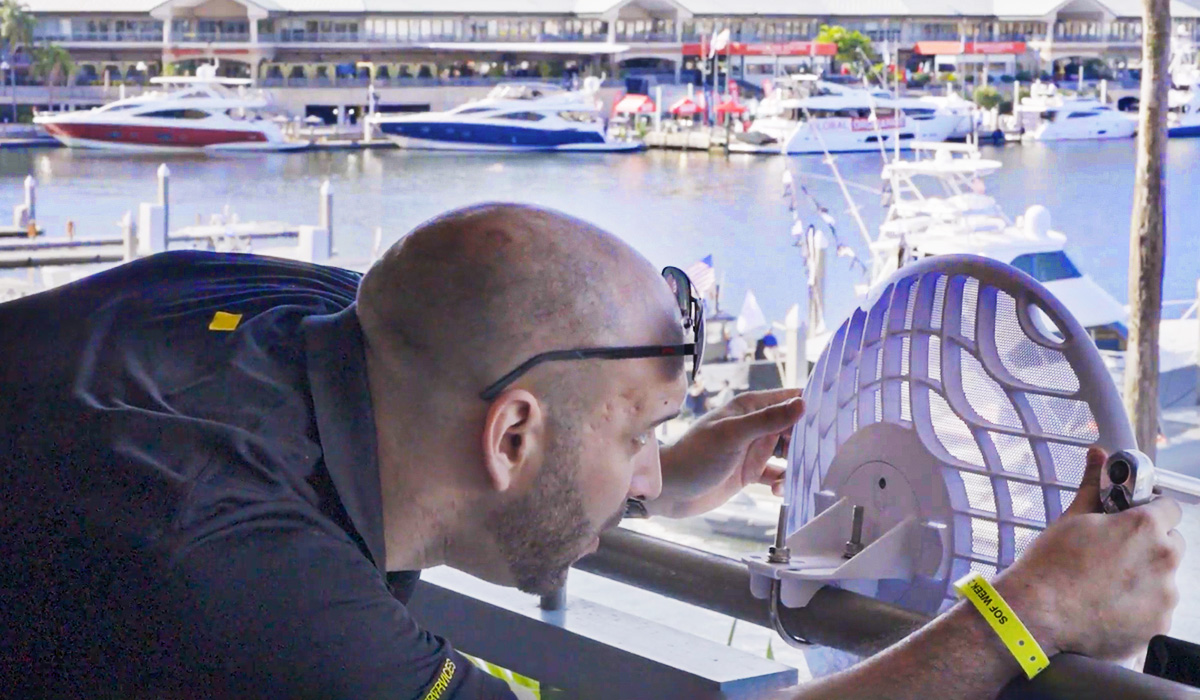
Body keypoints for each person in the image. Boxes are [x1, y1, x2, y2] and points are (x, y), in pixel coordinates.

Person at [0, 203, 1183, 700]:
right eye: (640, 430)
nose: (645, 465)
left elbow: (479, 310)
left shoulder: (263, 302)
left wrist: (653, 472)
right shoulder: (250, 593)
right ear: (512, 435)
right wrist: (1021, 612)